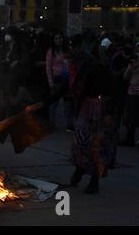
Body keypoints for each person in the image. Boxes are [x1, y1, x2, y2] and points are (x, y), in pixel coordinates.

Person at [68, 35, 114, 194]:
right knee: (80, 144)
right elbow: (67, 89)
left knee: (96, 147)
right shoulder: (78, 71)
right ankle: (80, 169)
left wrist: (109, 113)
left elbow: (110, 91)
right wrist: (45, 102)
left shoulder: (97, 70)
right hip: (84, 110)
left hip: (98, 110)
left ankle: (94, 180)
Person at [46, 32, 73, 131]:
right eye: (56, 38)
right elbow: (48, 67)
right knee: (53, 104)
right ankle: (51, 124)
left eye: (60, 38)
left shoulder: (67, 50)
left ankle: (69, 125)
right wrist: (50, 82)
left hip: (67, 79)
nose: (58, 40)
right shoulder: (51, 51)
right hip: (56, 78)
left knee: (68, 103)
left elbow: (72, 63)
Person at [121, 50, 139, 147]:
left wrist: (132, 68)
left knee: (130, 116)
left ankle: (130, 137)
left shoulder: (133, 65)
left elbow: (125, 76)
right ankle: (130, 137)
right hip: (133, 92)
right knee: (135, 116)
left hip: (132, 92)